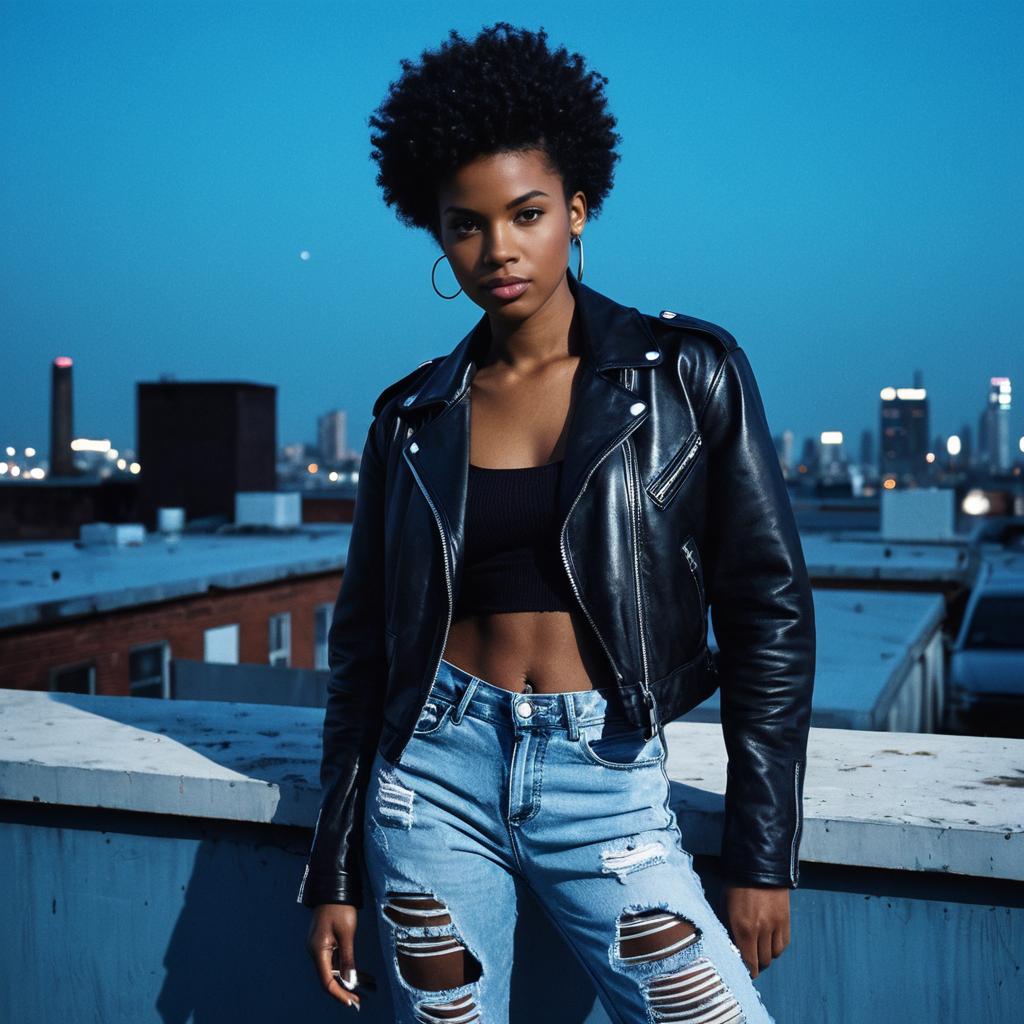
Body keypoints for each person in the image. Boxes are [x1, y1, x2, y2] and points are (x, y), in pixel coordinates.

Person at [299, 22, 815, 1023]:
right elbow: (362, 646)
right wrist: (331, 865)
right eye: (466, 224)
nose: (499, 249)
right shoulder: (411, 418)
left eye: (526, 213)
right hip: (429, 783)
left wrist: (762, 851)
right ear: (436, 234)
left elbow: (768, 608)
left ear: (576, 210)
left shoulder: (684, 374)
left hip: (604, 781)